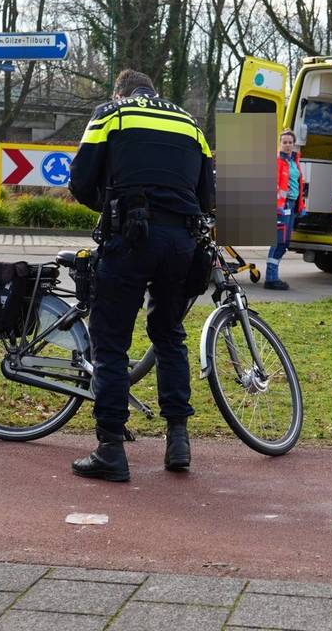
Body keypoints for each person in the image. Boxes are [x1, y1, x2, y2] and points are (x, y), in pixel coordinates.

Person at [68, 69, 215, 482]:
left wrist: (111, 205)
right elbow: (208, 195)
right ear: (154, 90)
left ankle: (110, 449)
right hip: (181, 244)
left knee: (111, 341)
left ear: (121, 90)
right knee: (168, 335)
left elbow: (80, 181)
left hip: (131, 240)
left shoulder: (111, 113)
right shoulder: (191, 124)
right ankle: (178, 441)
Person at [265, 129, 307, 291]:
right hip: (281, 208)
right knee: (278, 242)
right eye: (285, 142)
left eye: (290, 142)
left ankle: (273, 277)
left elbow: (298, 184)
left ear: (293, 144)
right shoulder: (277, 162)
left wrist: (300, 206)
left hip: (291, 206)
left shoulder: (294, 161)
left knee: (284, 242)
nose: (288, 145)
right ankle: (271, 278)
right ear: (280, 144)